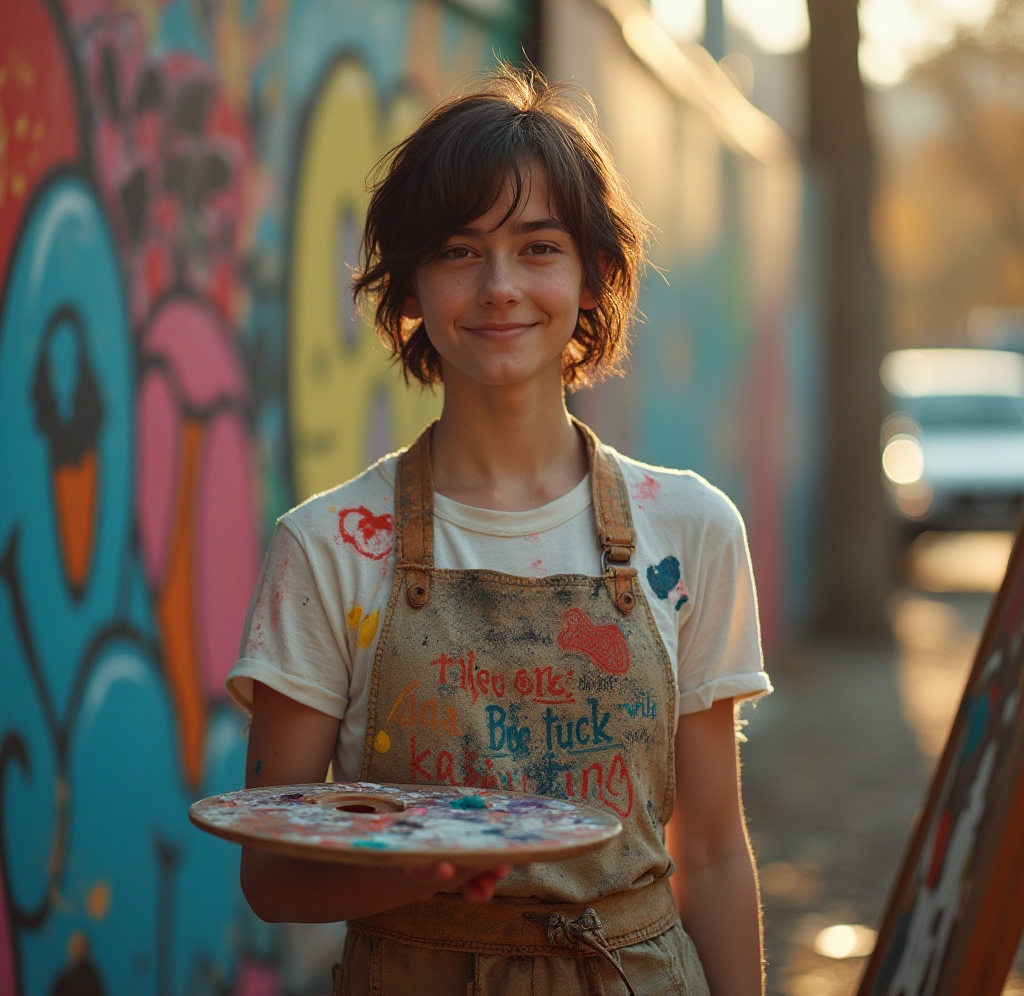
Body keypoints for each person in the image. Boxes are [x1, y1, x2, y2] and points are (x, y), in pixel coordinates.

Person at [227, 61, 771, 996]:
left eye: (539, 247)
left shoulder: (691, 531)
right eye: (456, 250)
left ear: (597, 276)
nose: (499, 286)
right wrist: (418, 874)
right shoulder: (328, 546)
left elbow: (715, 852)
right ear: (407, 290)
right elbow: (272, 877)